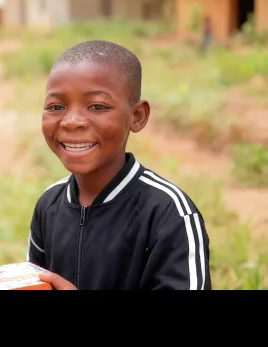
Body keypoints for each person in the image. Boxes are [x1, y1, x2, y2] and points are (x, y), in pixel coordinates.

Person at [23, 40, 211, 290]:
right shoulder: (49, 205)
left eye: (97, 106)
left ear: (137, 116)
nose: (72, 121)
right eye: (56, 107)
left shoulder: (169, 214)